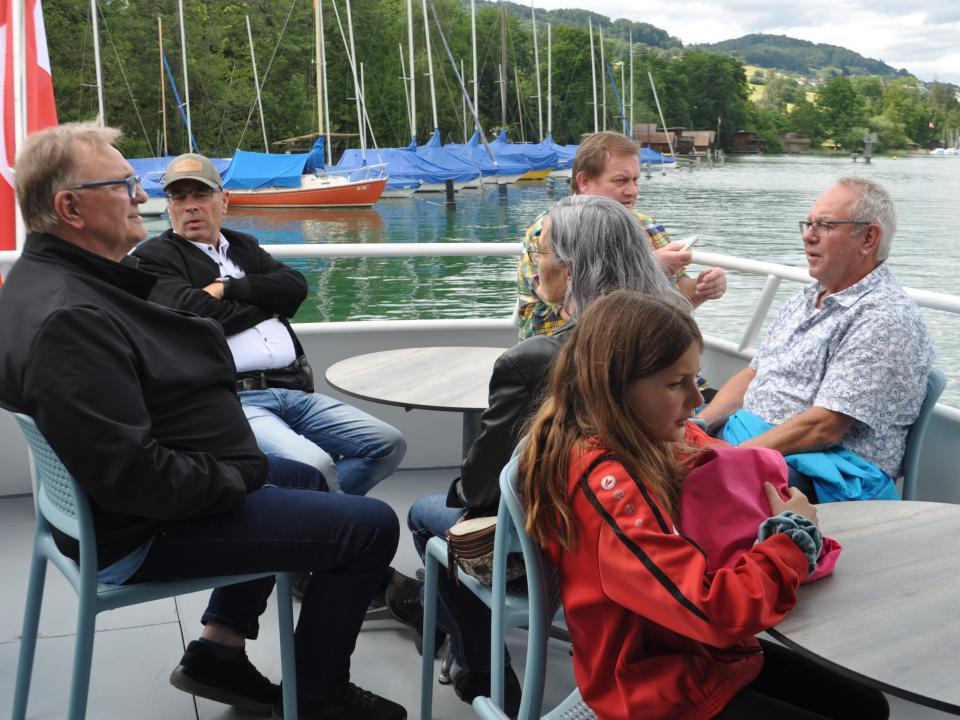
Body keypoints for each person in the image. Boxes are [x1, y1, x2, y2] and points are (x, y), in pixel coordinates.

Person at [0, 122, 406, 720]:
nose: (142, 199)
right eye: (126, 186)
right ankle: (319, 697)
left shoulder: (43, 284)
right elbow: (135, 478)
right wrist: (238, 475)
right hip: (132, 532)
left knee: (306, 481)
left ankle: (219, 649)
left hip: (108, 508)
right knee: (369, 526)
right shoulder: (71, 316)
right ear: (71, 207)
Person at [519, 290, 889, 720]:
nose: (696, 401)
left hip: (701, 656)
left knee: (866, 706)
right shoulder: (607, 483)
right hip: (652, 688)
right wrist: (790, 540)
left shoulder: (649, 437)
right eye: (676, 384)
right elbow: (711, 610)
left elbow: (713, 453)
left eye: (696, 379)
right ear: (614, 388)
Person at [386, 195, 688, 717]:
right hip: (644, 531)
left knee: (426, 513)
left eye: (542, 252)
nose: (535, 267)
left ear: (570, 269)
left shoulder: (539, 359)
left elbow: (482, 490)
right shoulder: (670, 336)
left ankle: (481, 673)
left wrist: (461, 492)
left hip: (556, 547)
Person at [132, 153, 406, 497]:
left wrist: (228, 288)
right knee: (315, 465)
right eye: (179, 197)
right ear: (169, 206)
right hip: (234, 400)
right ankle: (335, 528)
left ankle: (322, 518)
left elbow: (295, 287)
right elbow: (198, 317)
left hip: (293, 389)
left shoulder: (244, 246)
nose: (190, 206)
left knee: (387, 443)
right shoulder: (153, 258)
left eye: (200, 194)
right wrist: (269, 306)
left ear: (224, 200)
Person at [697, 177, 934, 502]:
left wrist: (728, 457)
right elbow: (755, 375)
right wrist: (700, 424)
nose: (808, 236)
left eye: (824, 226)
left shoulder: (884, 318)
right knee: (649, 441)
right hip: (756, 441)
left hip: (824, 471)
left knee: (693, 483)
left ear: (868, 238)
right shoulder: (808, 297)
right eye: (808, 224)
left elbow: (823, 427)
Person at [516, 130, 727, 339]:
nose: (632, 191)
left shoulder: (647, 227)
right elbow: (568, 308)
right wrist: (649, 267)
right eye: (620, 181)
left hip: (639, 351)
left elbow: (675, 297)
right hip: (563, 354)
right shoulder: (551, 231)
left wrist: (702, 289)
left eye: (635, 180)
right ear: (584, 181)